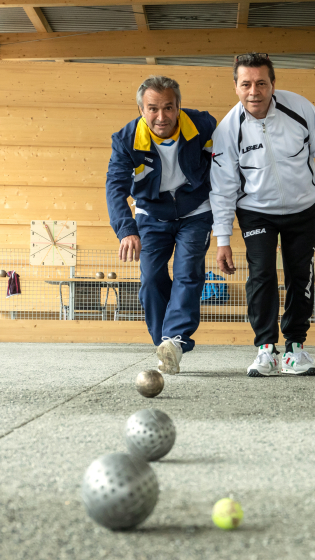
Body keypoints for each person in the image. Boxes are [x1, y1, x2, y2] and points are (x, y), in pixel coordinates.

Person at [209, 53, 315, 377]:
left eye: (261, 83)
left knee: (300, 276)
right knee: (262, 275)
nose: (253, 91)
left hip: (302, 210)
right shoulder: (228, 129)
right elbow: (223, 186)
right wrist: (223, 239)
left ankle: (295, 347)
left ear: (273, 84)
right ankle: (266, 349)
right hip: (256, 212)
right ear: (236, 86)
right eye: (246, 84)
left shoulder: (300, 109)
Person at [105, 75, 217, 374]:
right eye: (153, 108)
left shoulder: (203, 126)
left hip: (196, 212)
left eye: (168, 107)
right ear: (141, 109)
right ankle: (164, 345)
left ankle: (175, 340)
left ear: (178, 106)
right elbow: (115, 186)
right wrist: (126, 229)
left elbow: (225, 162)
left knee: (187, 272)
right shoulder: (126, 139)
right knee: (151, 279)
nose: (161, 116)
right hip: (151, 215)